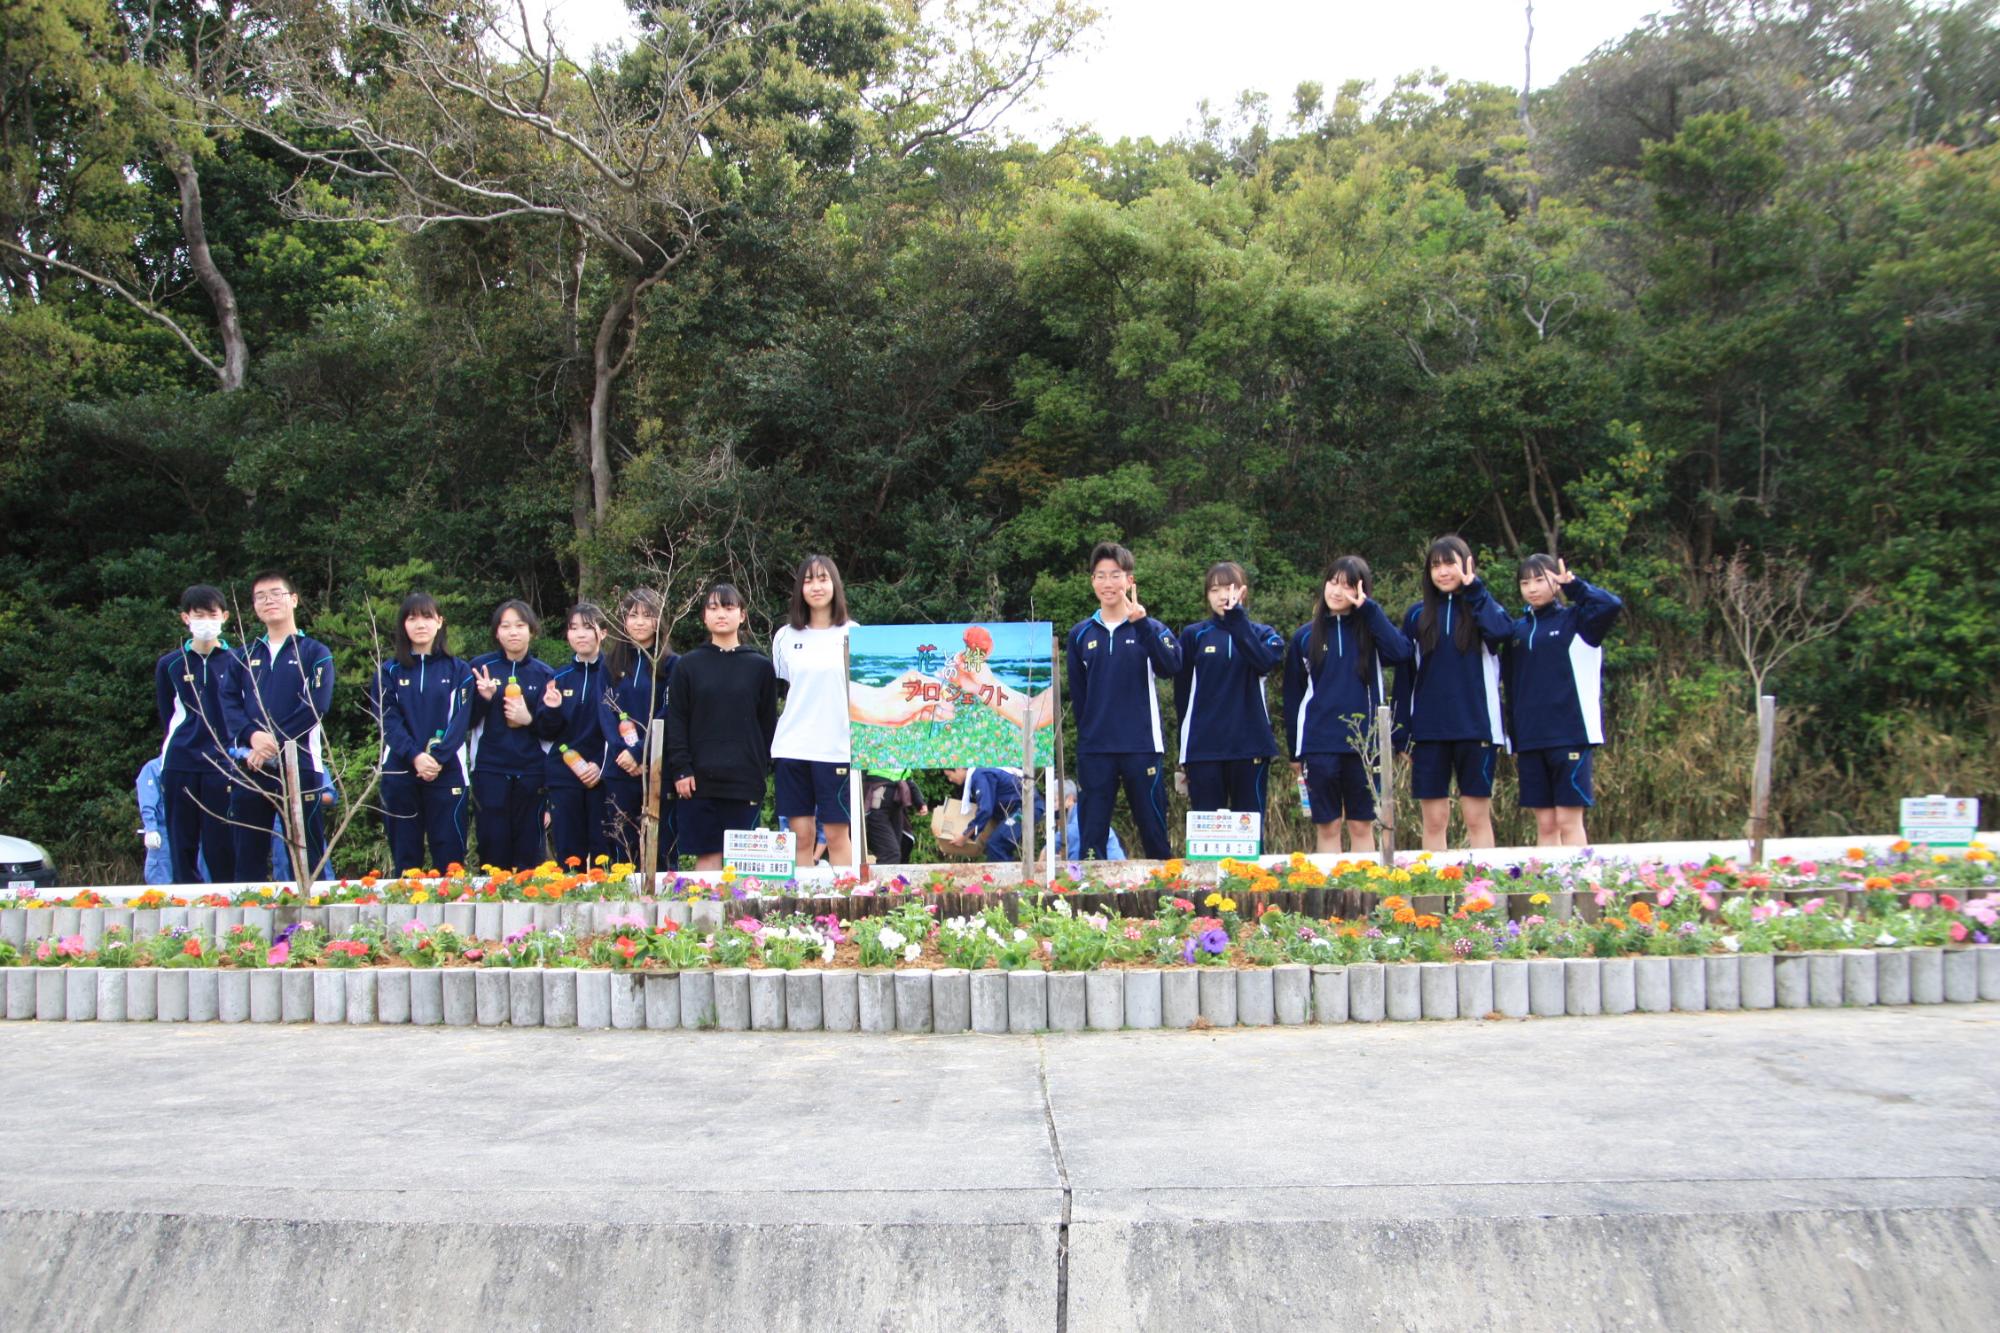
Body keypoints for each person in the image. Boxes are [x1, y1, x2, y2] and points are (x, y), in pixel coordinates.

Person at [1282, 556, 1414, 854]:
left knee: (1361, 824)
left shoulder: (1372, 631)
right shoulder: (1305, 636)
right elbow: (1293, 697)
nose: (1337, 591)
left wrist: (1368, 609)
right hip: (1319, 744)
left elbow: (1401, 652)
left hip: (1366, 745)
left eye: (1347, 585)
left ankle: (1364, 897)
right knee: (1327, 825)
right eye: (1332, 582)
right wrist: (1294, 750)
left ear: (1362, 589)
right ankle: (1331, 893)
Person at [1391, 536, 1514, 851]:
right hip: (1430, 731)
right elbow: (1405, 676)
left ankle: (1484, 892)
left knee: (1476, 818)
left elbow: (1502, 632)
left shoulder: (1483, 607)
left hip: (1477, 727)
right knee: (1433, 821)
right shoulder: (1417, 615)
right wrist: (1401, 730)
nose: (1443, 572)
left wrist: (1475, 589)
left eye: (1450, 564)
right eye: (1436, 565)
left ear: (1467, 565)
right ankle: (1433, 892)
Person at [1065, 542, 1183, 860]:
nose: (1108, 583)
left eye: (1115, 575)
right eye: (1101, 576)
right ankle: (1084, 903)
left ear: (1129, 581)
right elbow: (1079, 696)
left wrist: (1141, 624)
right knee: (1091, 838)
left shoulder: (1152, 628)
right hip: (1096, 749)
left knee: (1154, 831)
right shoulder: (1080, 635)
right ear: (1092, 581)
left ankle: (1170, 901)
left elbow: (1171, 667)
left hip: (1142, 745)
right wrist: (1090, 735)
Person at [222, 571, 335, 881]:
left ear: (294, 600)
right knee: (248, 857)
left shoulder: (315, 653)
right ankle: (247, 927)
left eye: (276, 593)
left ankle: (317, 924)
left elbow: (316, 705)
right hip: (251, 767)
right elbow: (228, 703)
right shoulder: (242, 656)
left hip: (300, 765)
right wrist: (252, 737)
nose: (268, 600)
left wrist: (272, 742)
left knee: (307, 854)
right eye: (260, 596)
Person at [1506, 555, 1624, 847]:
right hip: (1531, 739)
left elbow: (1611, 605)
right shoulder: (1516, 631)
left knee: (1568, 821)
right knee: (1545, 824)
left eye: (1539, 580)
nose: (1532, 588)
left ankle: (1579, 887)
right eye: (1525, 582)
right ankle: (1549, 890)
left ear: (1555, 582)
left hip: (1570, 735)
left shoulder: (1577, 620)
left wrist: (1574, 586)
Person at [666, 584, 777, 872]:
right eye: (713, 608)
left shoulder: (760, 667)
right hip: (698, 780)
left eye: (728, 608)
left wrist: (761, 769)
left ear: (742, 615)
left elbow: (768, 725)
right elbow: (676, 720)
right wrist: (681, 768)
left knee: (744, 863)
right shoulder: (687, 665)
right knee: (708, 856)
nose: (721, 614)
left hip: (744, 779)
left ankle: (742, 919)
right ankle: (705, 917)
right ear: (704, 616)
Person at [367, 592, 473, 874]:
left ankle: (453, 916)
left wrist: (436, 757)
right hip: (401, 771)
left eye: (427, 617)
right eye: (412, 618)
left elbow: (460, 720)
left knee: (450, 857)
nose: (420, 624)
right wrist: (415, 756)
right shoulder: (388, 671)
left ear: (440, 622)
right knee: (406, 856)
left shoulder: (459, 670)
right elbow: (388, 721)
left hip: (447, 770)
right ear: (403, 625)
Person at [1173, 561, 1285, 817]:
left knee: (1250, 828)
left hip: (1251, 746)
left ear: (1242, 592)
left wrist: (1238, 621)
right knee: (1208, 830)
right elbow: (1183, 696)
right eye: (1214, 590)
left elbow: (1264, 662)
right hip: (1203, 748)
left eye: (1228, 588)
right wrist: (1184, 748)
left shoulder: (1264, 633)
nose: (1222, 596)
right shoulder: (1194, 635)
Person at [771, 555, 859, 870]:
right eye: (808, 580)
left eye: (822, 579)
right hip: (792, 746)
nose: (816, 587)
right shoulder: (785, 636)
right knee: (800, 836)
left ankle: (849, 905)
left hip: (836, 748)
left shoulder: (854, 633)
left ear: (834, 584)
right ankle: (800, 907)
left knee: (837, 834)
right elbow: (786, 686)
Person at [154, 583, 241, 884]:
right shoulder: (170, 664)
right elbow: (168, 714)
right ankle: (183, 906)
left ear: (225, 616)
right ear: (185, 618)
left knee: (223, 843)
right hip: (181, 761)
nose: (206, 621)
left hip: (224, 763)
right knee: (182, 841)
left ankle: (229, 906)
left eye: (212, 614)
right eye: (198, 614)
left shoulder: (239, 661)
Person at [467, 600, 557, 873]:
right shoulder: (480, 668)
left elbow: (552, 730)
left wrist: (528, 719)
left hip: (531, 771)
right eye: (505, 626)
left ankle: (528, 909)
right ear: (496, 632)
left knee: (530, 850)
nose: (513, 632)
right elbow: (465, 721)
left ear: (532, 631)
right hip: (490, 768)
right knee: (492, 845)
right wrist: (483, 699)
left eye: (520, 625)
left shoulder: (545, 674)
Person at [601, 588, 677, 873]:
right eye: (633, 615)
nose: (640, 622)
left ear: (659, 621)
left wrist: (640, 752)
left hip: (657, 766)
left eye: (648, 615)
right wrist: (624, 752)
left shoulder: (671, 664)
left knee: (660, 846)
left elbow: (668, 714)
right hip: (619, 768)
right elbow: (606, 710)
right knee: (622, 844)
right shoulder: (610, 664)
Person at [536, 604, 612, 868]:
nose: (580, 634)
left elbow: (623, 728)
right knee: (569, 854)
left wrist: (601, 765)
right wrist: (552, 710)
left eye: (588, 628)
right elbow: (545, 732)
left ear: (602, 633)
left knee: (605, 853)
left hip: (603, 775)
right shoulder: (558, 677)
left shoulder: (615, 674)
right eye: (573, 628)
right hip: (563, 775)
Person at [942, 766, 1044, 862]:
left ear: (958, 768)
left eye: (949, 775)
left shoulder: (980, 775)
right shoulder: (978, 775)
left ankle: (1005, 879)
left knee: (996, 844)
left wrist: (965, 836)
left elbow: (985, 810)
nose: (950, 780)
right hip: (1013, 810)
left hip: (1027, 808)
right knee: (994, 843)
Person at [862, 766, 926, 865]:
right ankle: (885, 880)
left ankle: (890, 880)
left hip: (895, 807)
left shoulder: (903, 757)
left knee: (898, 852)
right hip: (877, 804)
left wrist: (920, 802)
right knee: (890, 854)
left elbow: (907, 779)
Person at [1057, 778, 1125, 861]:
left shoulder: (1077, 824)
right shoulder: (1076, 819)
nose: (1052, 806)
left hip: (1111, 869)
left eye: (1055, 800)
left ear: (1069, 799)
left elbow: (1075, 867)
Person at [136, 759, 175, 885]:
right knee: (161, 885)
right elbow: (148, 802)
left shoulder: (189, 765)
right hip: (163, 833)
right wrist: (151, 828)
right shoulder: (153, 768)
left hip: (189, 833)